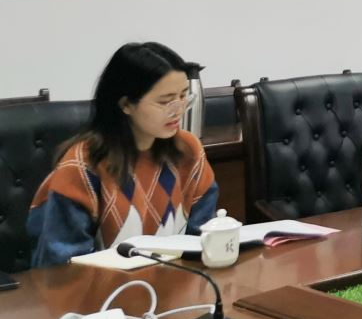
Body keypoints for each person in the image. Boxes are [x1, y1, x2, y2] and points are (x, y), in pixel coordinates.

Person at [28, 42, 219, 267]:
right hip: (101, 287)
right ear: (126, 104)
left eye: (184, 96)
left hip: (179, 282)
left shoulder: (188, 150)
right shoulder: (84, 165)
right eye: (165, 101)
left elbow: (204, 241)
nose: (178, 110)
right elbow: (62, 266)